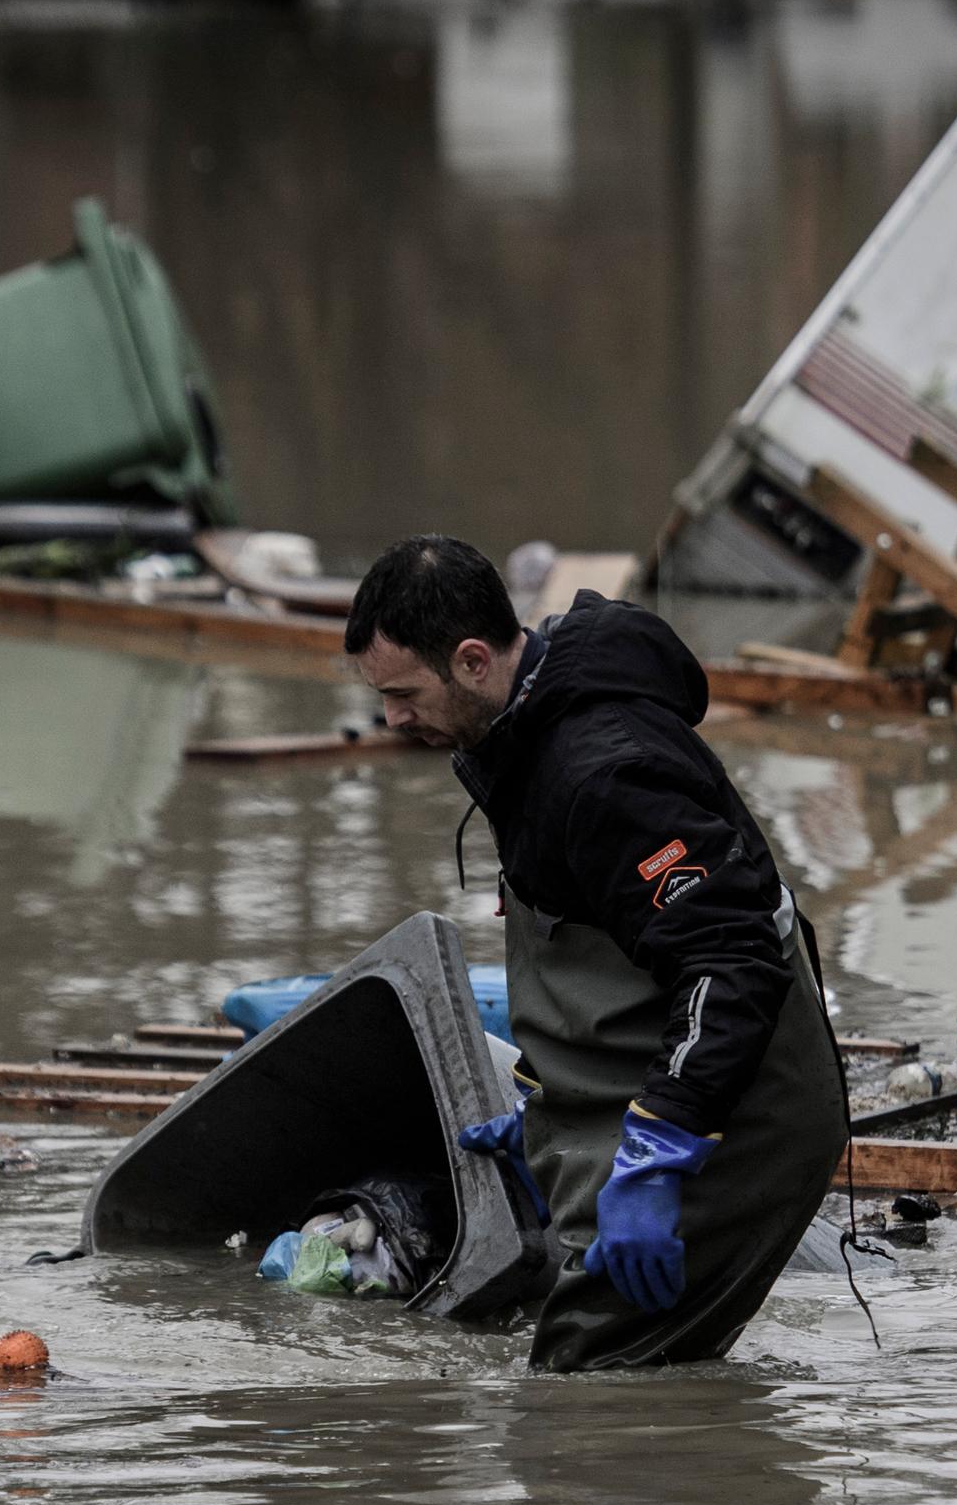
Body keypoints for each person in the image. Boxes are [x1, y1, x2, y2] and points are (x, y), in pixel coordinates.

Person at [345, 534, 848, 1371]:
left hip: (736, 1111)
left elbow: (731, 963)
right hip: (637, 1090)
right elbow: (610, 955)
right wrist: (551, 1114)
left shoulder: (607, 772)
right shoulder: (521, 732)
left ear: (472, 660)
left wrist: (654, 1161)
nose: (391, 719)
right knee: (620, 1373)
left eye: (403, 693)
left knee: (586, 1393)